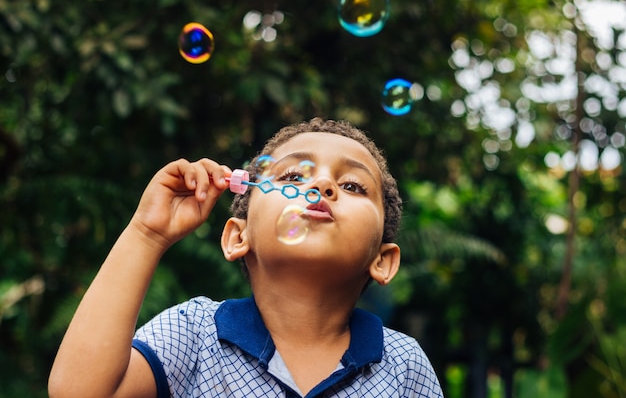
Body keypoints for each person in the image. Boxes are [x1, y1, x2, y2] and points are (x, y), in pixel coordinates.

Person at [48, 117, 444, 398]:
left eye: (353, 185)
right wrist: (146, 234)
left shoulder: (403, 367)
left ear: (383, 260)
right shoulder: (194, 334)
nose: (322, 184)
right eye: (292, 177)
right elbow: (80, 392)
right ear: (239, 236)